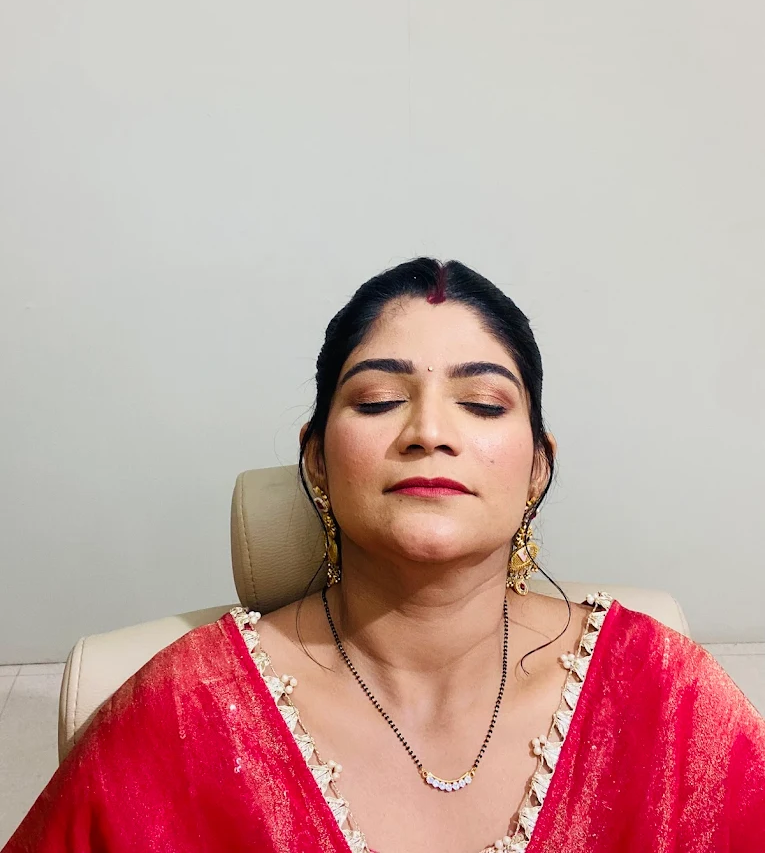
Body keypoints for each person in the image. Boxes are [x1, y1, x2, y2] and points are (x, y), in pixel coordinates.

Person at [4, 257, 764, 853]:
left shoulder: (668, 702)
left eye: (483, 404)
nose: (428, 431)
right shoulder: (184, 714)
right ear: (315, 461)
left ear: (538, 466)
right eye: (377, 401)